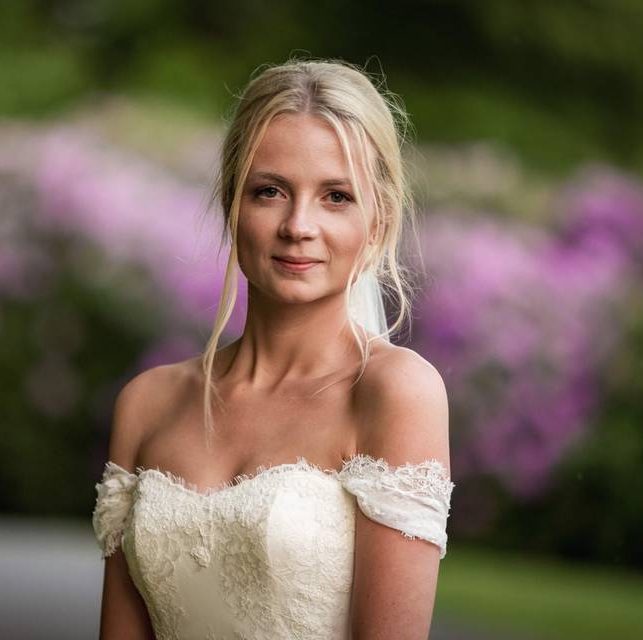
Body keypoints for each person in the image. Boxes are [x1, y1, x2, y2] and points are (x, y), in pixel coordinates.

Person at [92, 57, 454, 640]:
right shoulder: (147, 405)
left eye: (336, 196)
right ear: (232, 206)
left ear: (378, 222)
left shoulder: (395, 394)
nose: (298, 225)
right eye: (270, 191)